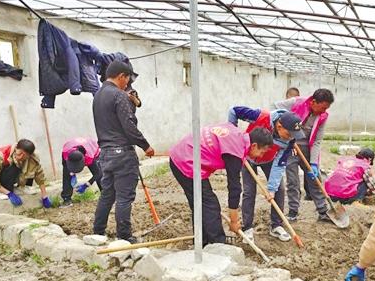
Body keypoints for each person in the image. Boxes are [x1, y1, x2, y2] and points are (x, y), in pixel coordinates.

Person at [169, 123, 273, 246]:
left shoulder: (237, 135)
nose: (260, 156)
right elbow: (234, 188)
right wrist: (234, 221)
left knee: (200, 204)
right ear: (254, 145)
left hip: (183, 153)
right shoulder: (234, 151)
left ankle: (202, 242)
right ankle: (217, 244)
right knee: (210, 205)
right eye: (261, 152)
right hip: (186, 161)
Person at [92, 60, 155, 244]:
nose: (127, 84)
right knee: (124, 197)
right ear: (121, 76)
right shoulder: (119, 96)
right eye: (127, 79)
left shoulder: (98, 95)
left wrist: (132, 103)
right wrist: (145, 146)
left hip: (105, 153)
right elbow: (129, 125)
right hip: (122, 154)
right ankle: (124, 235)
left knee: (107, 194)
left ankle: (98, 231)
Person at [229, 106, 305, 242]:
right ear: (279, 126)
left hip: (269, 160)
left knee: (279, 189)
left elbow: (279, 163)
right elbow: (233, 111)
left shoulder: (290, 140)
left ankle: (276, 226)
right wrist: (233, 134)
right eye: (289, 134)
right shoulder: (261, 116)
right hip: (247, 157)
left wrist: (271, 189)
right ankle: (247, 228)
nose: (291, 137)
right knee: (249, 191)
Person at [272, 88, 335, 222]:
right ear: (314, 102)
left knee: (314, 178)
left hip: (307, 148)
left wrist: (314, 163)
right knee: (292, 180)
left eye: (326, 108)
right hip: (291, 146)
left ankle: (323, 210)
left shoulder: (322, 116)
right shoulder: (296, 102)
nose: (324, 111)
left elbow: (317, 140)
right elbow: (275, 107)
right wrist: (284, 131)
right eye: (323, 107)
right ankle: (293, 211)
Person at [0, 139, 51, 208]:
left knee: (31, 165)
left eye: (24, 155)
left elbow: (39, 176)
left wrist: (44, 196)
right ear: (16, 148)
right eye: (19, 153)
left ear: (29, 155)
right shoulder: (0, 155)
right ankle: (1, 191)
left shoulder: (32, 158)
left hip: (15, 177)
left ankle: (21, 188)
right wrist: (9, 193)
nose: (21, 157)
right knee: (11, 167)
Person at [60, 137, 102, 207]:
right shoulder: (65, 153)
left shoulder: (89, 156)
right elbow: (65, 166)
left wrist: (86, 185)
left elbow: (98, 173)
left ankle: (106, 195)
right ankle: (66, 199)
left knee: (100, 174)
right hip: (72, 147)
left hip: (92, 147)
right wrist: (71, 174)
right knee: (66, 174)